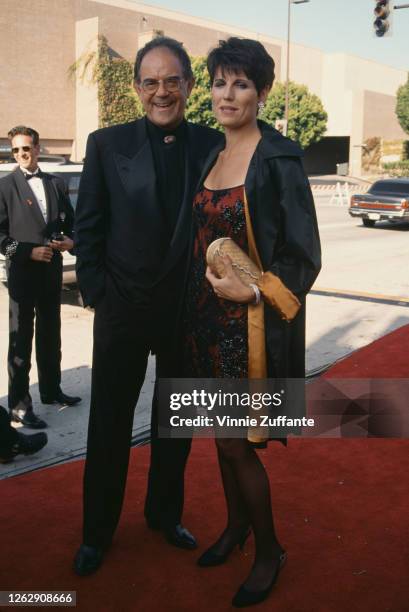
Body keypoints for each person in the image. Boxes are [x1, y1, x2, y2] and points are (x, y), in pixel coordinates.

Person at [73, 36, 223, 576]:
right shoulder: (105, 144)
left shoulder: (213, 145)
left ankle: (165, 514)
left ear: (187, 85)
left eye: (173, 81)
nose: (163, 92)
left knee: (175, 425)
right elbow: (87, 228)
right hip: (123, 310)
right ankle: (97, 533)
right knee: (109, 425)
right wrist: (98, 292)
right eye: (151, 81)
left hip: (185, 311)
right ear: (138, 88)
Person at [182, 38, 321, 607]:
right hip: (204, 325)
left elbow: (303, 252)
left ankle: (269, 549)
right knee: (220, 440)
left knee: (239, 446)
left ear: (262, 92)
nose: (227, 94)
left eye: (240, 83)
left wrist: (254, 289)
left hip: (251, 328)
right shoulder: (209, 155)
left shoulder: (280, 159)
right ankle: (237, 528)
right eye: (219, 82)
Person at [0, 126, 81, 431]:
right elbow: (0, 236)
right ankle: (19, 406)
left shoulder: (57, 183)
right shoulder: (5, 187)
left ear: (37, 148)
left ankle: (51, 389)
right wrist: (26, 252)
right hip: (22, 276)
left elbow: (71, 224)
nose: (22, 154)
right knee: (20, 342)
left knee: (51, 334)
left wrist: (70, 242)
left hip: (52, 273)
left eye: (27, 148)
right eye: (16, 150)